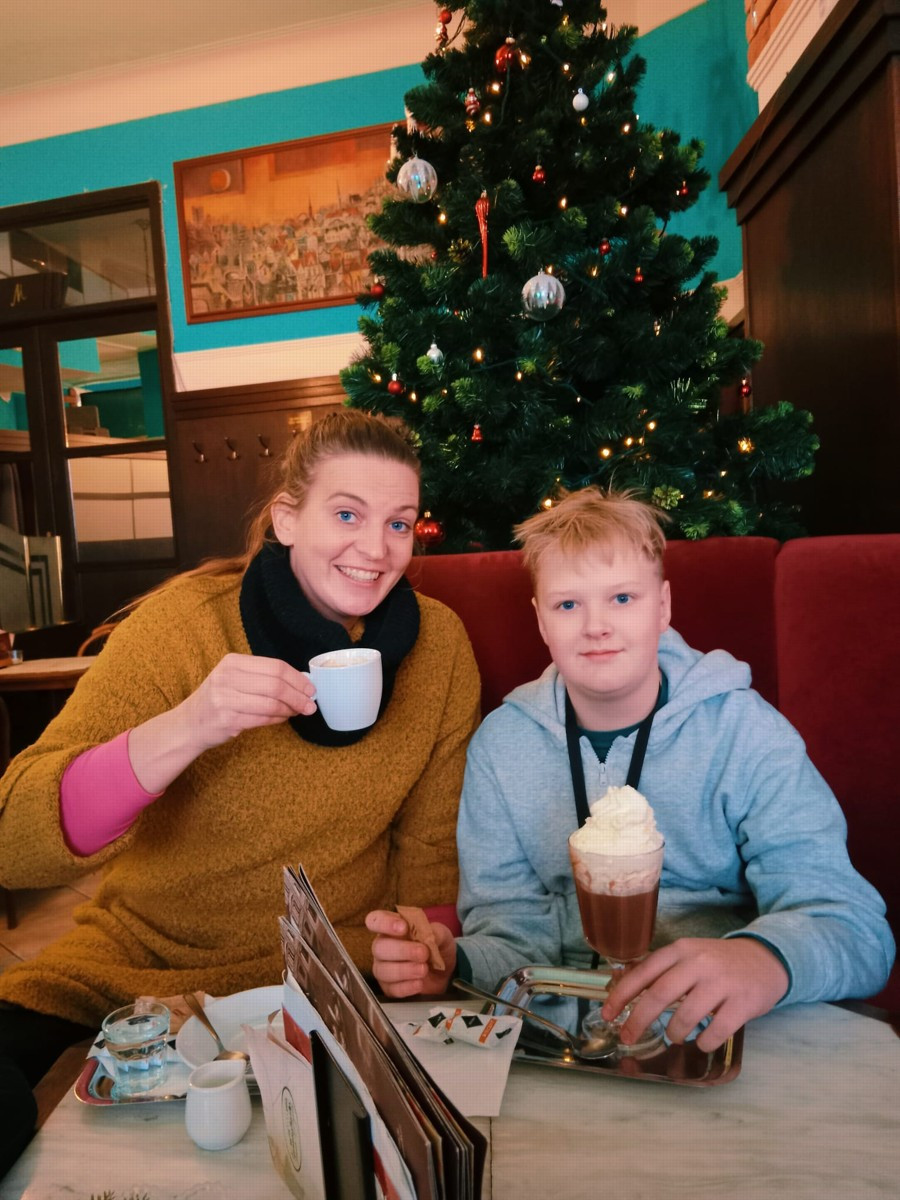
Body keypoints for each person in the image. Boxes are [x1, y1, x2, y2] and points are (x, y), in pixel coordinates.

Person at [0, 410, 479, 1175]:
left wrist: (425, 948)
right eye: (346, 514)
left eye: (399, 522)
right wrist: (188, 727)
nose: (375, 548)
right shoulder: (183, 627)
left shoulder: (440, 646)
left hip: (328, 977)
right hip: (136, 967)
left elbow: (428, 851)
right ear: (287, 519)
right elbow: (14, 842)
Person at [368, 486, 895, 1054]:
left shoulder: (746, 732)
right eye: (568, 605)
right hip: (565, 1045)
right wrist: (455, 962)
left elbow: (856, 929)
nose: (596, 625)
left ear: (662, 606)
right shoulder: (502, 745)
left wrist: (762, 959)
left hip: (719, 1034)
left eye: (622, 598)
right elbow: (513, 936)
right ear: (541, 620)